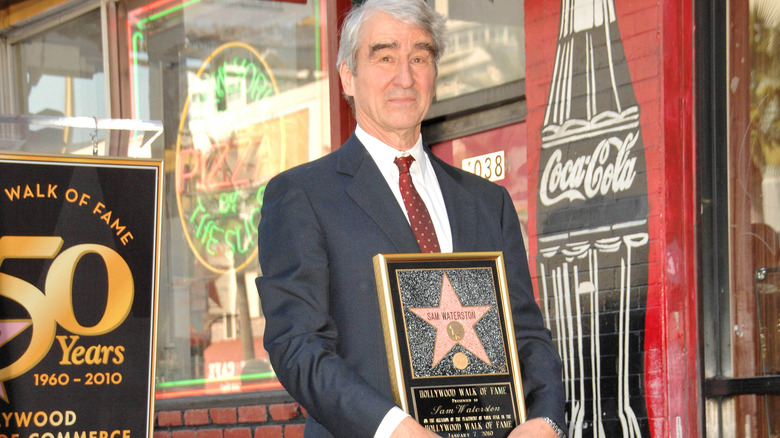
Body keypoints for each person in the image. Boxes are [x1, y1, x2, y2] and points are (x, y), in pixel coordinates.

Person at [256, 0, 566, 436]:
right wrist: (392, 427)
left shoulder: (486, 201)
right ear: (348, 75)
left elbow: (527, 334)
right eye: (385, 57)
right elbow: (297, 347)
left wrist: (545, 418)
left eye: (419, 57)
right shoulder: (303, 196)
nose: (405, 76)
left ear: (435, 74)